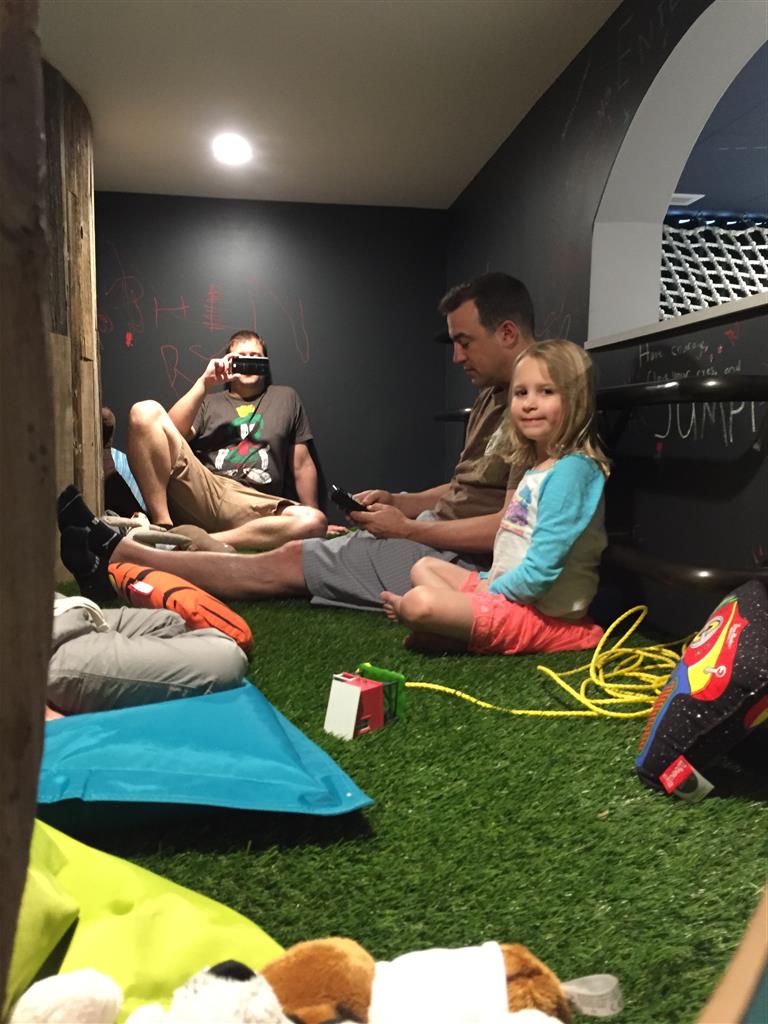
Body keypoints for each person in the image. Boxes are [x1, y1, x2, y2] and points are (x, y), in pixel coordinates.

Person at [60, 273, 536, 608]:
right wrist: (400, 502)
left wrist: (408, 527)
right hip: (209, 486)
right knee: (147, 413)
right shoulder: (495, 395)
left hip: (445, 553)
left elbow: (508, 528)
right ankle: (150, 539)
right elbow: (465, 490)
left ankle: (123, 554)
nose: (457, 358)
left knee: (286, 558)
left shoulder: (533, 405)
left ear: (508, 333)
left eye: (465, 342)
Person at [380, 339, 608, 654]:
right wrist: (489, 582)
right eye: (521, 392)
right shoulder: (539, 466)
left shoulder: (573, 472)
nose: (529, 403)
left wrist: (490, 590)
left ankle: (458, 628)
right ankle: (458, 628)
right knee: (424, 567)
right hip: (509, 593)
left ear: (575, 400)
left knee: (418, 604)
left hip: (541, 613)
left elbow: (541, 572)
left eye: (546, 391)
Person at [125, 329, 326, 550]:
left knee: (313, 522)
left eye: (255, 357)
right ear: (229, 362)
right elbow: (167, 434)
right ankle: (162, 528)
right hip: (209, 490)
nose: (248, 362)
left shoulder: (286, 398)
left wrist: (313, 509)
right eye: (241, 358)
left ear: (265, 363)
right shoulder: (208, 402)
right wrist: (204, 383)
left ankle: (193, 540)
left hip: (257, 503)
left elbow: (302, 465)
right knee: (144, 411)